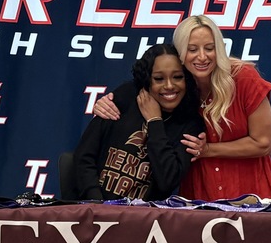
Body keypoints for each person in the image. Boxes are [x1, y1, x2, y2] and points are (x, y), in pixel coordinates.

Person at [93, 15, 271, 200]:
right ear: (180, 53)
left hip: (252, 195)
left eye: (209, 48)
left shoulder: (244, 78)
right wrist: (107, 103)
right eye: (192, 49)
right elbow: (140, 91)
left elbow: (263, 143)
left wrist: (208, 149)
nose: (202, 57)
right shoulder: (176, 87)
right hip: (201, 197)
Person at [73, 43, 204, 201]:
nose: (169, 86)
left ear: (187, 79)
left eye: (178, 77)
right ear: (147, 80)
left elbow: (167, 181)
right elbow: (84, 156)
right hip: (94, 209)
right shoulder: (126, 95)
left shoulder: (190, 124)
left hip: (143, 220)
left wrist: (154, 121)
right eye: (159, 79)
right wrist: (97, 203)